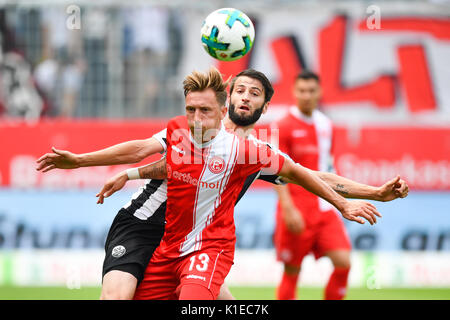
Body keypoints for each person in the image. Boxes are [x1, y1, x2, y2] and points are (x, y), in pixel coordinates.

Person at [36, 68, 408, 300]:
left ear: (264, 107)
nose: (246, 96)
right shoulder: (195, 125)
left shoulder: (252, 152)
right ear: (227, 98)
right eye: (241, 90)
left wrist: (372, 192)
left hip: (194, 240)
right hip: (144, 224)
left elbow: (312, 175)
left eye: (255, 93)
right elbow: (143, 152)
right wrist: (90, 163)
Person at [272, 70, 366, 300]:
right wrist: (288, 208)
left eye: (311, 91)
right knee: (292, 271)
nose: (306, 95)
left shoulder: (327, 125)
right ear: (294, 92)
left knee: (343, 262)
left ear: (319, 92)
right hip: (296, 207)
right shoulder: (282, 126)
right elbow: (275, 170)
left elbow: (329, 168)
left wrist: (341, 200)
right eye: (302, 91)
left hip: (324, 208)